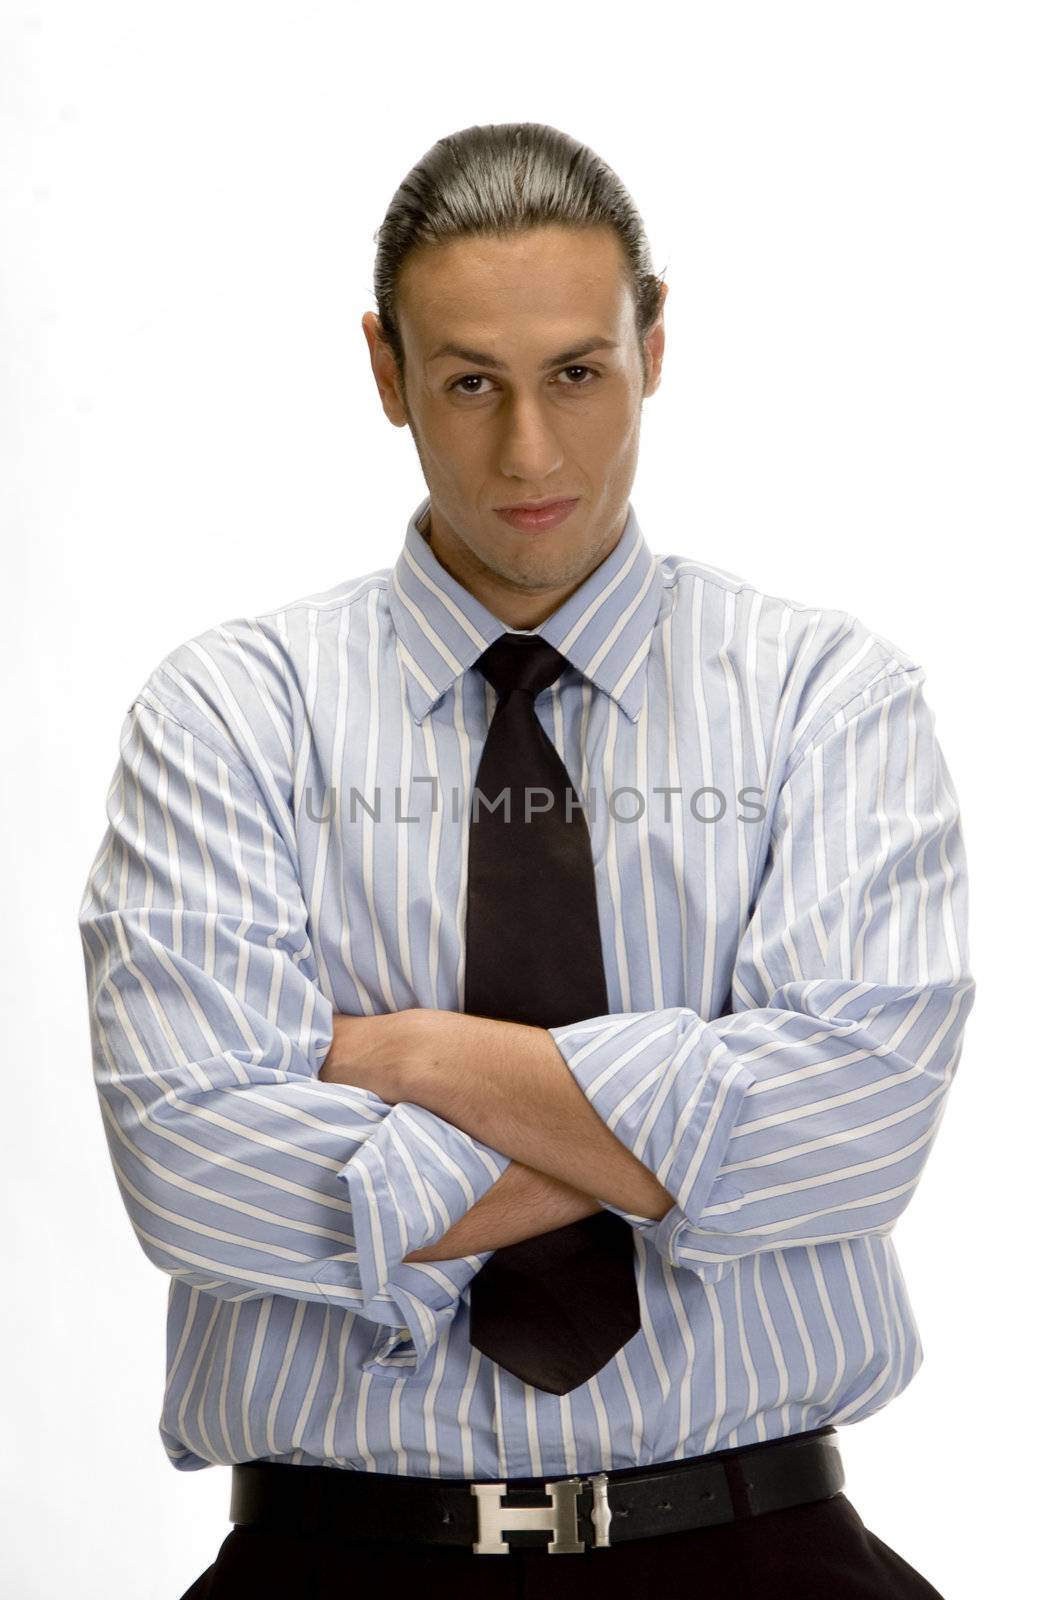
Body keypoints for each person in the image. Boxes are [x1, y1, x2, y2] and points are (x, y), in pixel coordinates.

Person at [78, 122, 975, 1598]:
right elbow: (195, 1174)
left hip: (760, 1551)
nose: (530, 453)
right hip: (336, 1560)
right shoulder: (230, 714)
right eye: (470, 383)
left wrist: (411, 1057)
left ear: (655, 344)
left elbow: (858, 1126)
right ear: (388, 373)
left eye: (577, 373)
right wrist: (690, 1119)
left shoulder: (829, 696)